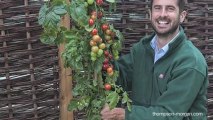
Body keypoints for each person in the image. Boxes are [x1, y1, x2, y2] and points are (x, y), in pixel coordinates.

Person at [100, 0, 209, 119]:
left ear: (182, 16)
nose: (162, 14)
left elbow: (169, 114)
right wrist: (98, 62)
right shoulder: (142, 50)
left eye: (170, 9)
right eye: (157, 8)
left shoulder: (190, 61)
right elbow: (117, 77)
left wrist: (123, 114)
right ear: (150, 13)